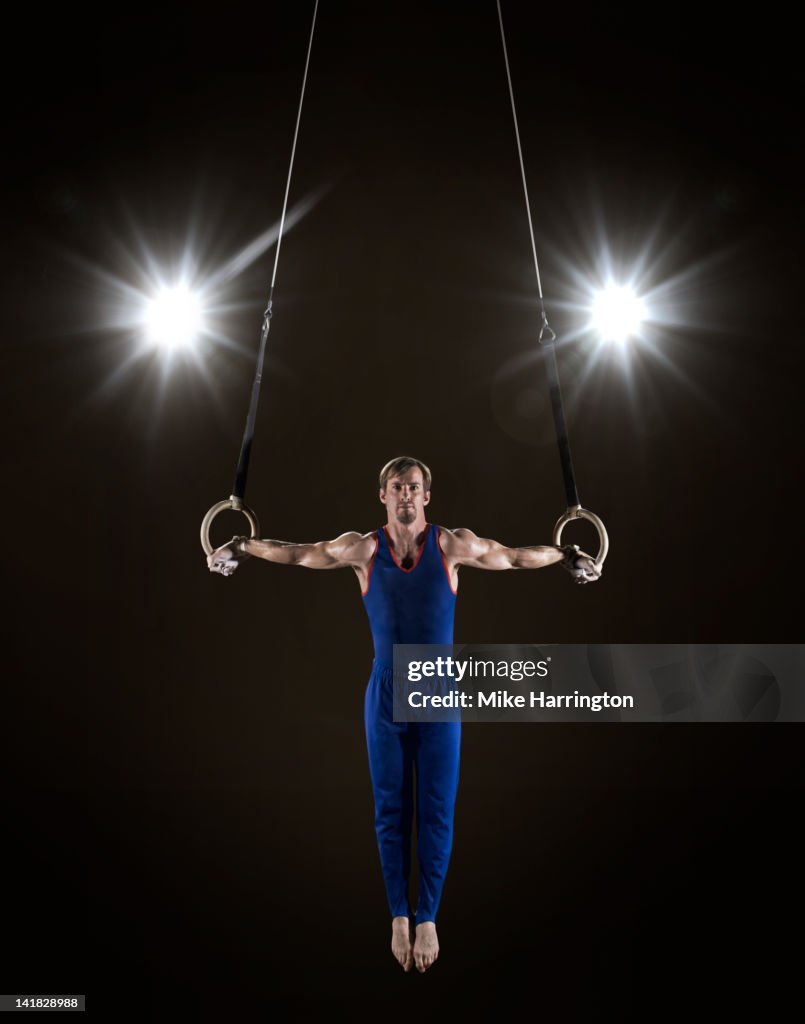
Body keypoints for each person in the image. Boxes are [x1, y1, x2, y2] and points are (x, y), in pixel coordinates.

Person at [207, 456, 601, 973]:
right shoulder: (363, 550)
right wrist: (241, 545)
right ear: (383, 496)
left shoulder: (451, 545)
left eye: (414, 488)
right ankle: (398, 912)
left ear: (426, 496)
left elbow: (512, 557)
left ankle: (428, 915)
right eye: (397, 488)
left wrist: (567, 553)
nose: (406, 496)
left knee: (437, 807)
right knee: (391, 806)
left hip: (438, 689)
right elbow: (302, 553)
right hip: (387, 690)